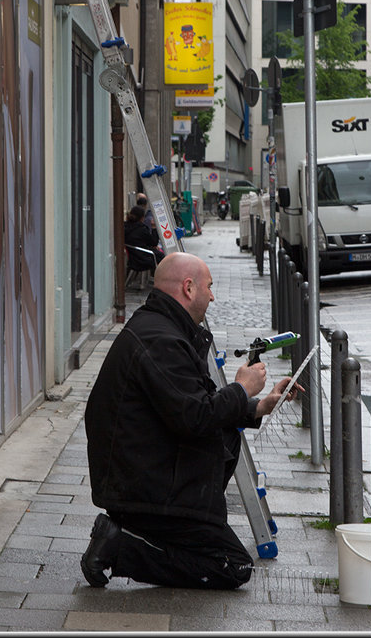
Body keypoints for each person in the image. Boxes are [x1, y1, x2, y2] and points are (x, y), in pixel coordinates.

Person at [81, 252, 303, 590]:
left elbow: (198, 405)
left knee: (225, 431)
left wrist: (259, 405)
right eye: (209, 287)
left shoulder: (163, 327)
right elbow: (196, 417)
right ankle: (120, 545)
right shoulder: (161, 340)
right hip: (144, 488)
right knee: (232, 566)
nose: (212, 296)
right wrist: (242, 388)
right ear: (188, 288)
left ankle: (149, 532)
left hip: (146, 474)